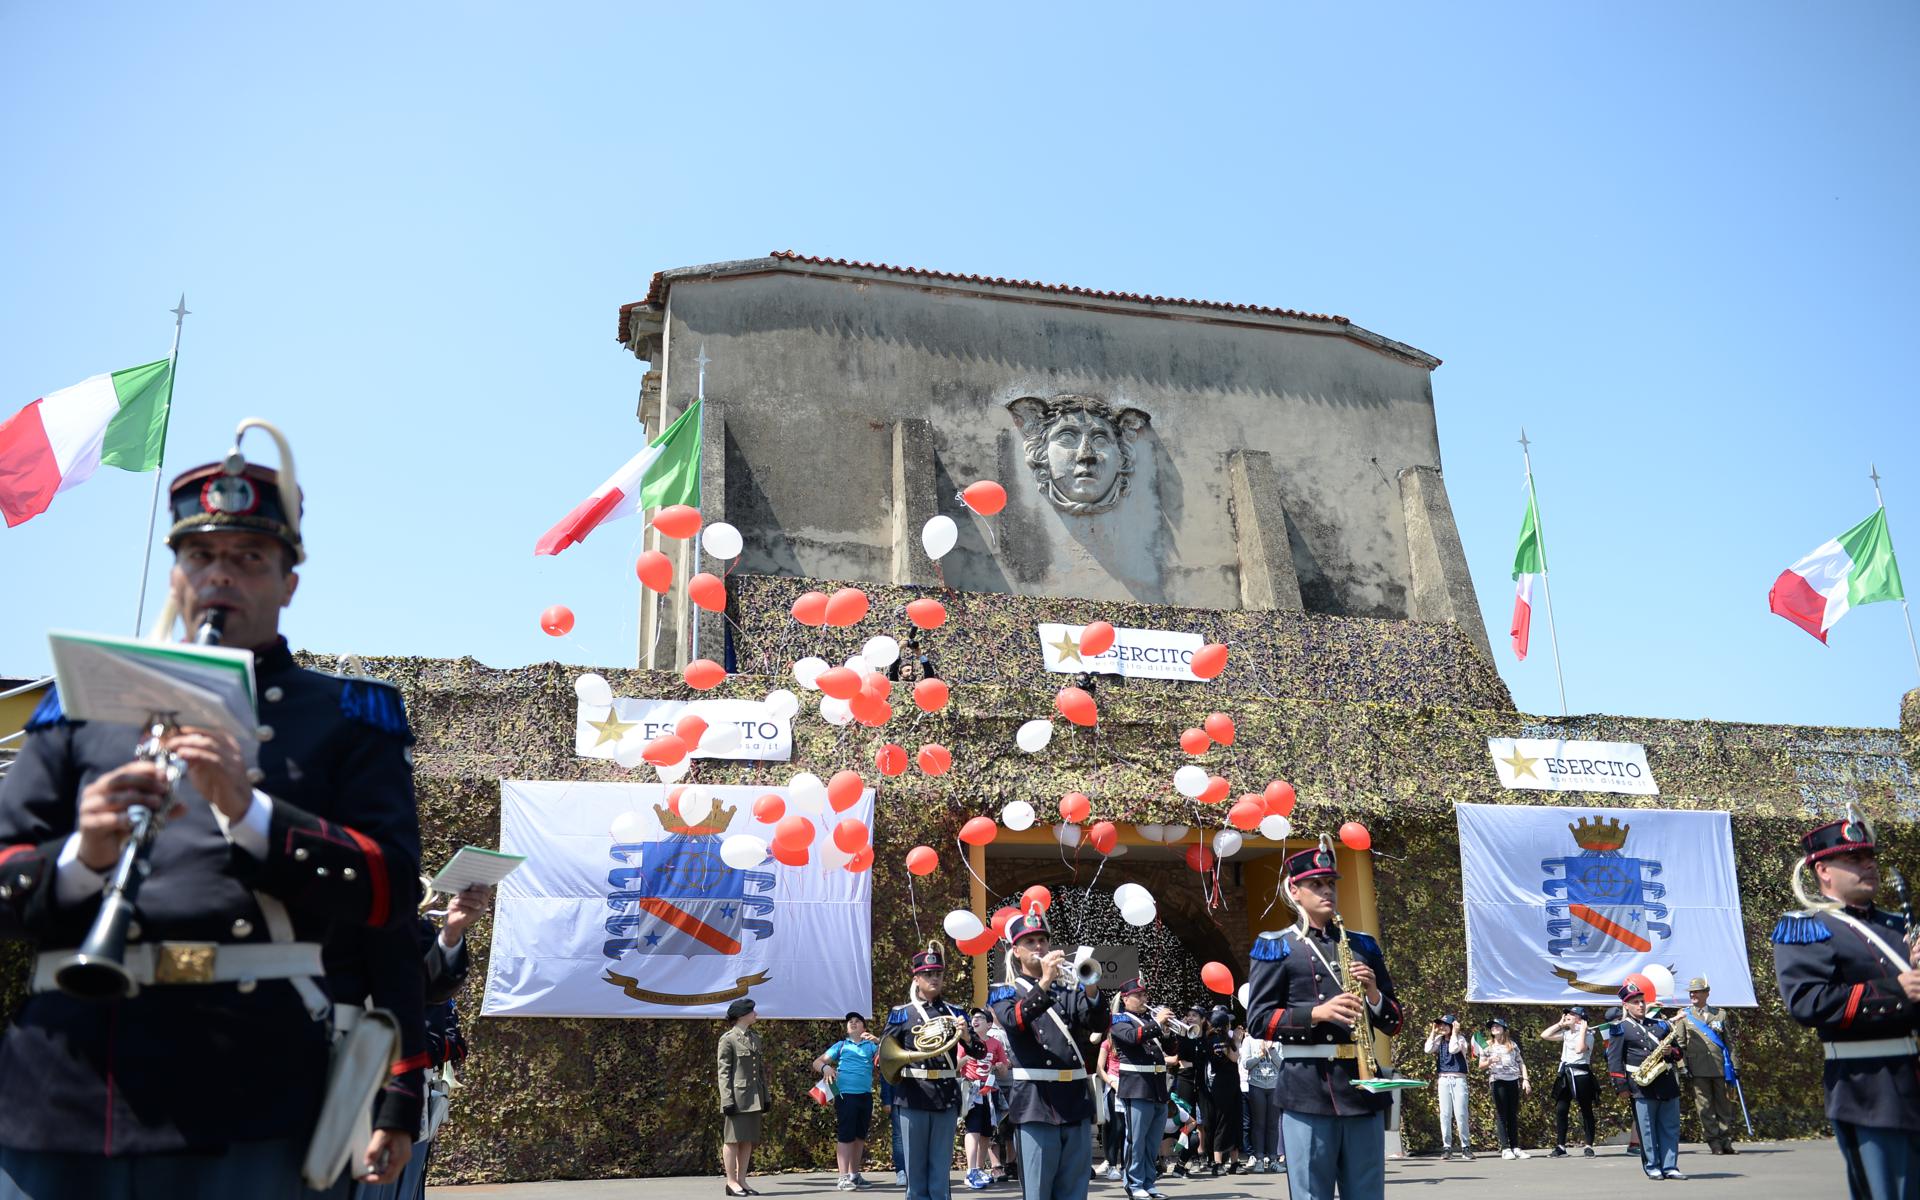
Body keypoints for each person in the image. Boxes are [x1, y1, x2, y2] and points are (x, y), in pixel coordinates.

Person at [0, 430, 422, 1199]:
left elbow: (389, 893)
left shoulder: (349, 717)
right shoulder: (82, 706)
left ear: (289, 583)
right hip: (64, 1087)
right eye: (200, 556)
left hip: (252, 1094)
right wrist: (82, 856)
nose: (221, 574)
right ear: (176, 574)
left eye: (249, 558)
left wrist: (249, 811)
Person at [1770, 812, 1920, 1200]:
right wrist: (1896, 990)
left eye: (1870, 857)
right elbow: (1808, 1002)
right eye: (1854, 859)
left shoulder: (1898, 926)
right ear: (1823, 870)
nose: (1868, 865)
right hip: (1871, 1088)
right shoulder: (1809, 926)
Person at [1247, 838, 1404, 1200]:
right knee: (1311, 1194)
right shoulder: (1278, 945)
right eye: (1316, 884)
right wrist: (1316, 1013)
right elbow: (1259, 1020)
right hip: (1308, 1090)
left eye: (1330, 883)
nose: (1326, 891)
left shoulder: (1363, 945)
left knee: (1366, 1194)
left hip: (1362, 1089)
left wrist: (1374, 994)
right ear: (1294, 891)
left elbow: (1393, 1022)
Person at [988, 903, 1110, 1200]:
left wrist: (1091, 989)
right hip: (1036, 1102)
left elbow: (1098, 1023)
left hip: (1074, 1100)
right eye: (1030, 941)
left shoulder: (1067, 990)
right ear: (1016, 951)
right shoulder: (1004, 991)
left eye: (1043, 940)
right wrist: (1044, 981)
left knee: (1075, 1191)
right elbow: (1015, 1020)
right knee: (1039, 1191)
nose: (1039, 946)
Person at [886, 944, 986, 1200]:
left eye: (938, 974)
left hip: (945, 1096)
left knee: (940, 1174)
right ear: (916, 978)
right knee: (915, 1176)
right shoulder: (902, 1014)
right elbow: (885, 1057)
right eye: (928, 974)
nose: (934, 978)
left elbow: (980, 1052)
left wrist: (966, 1036)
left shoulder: (955, 1013)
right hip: (912, 1096)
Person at [1606, 980, 1686, 1182]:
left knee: (1670, 1127)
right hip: (1641, 1086)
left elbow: (1678, 1053)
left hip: (1666, 1082)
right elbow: (1614, 1060)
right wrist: (1621, 1087)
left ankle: (1670, 1166)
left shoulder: (1660, 1025)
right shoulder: (1620, 1028)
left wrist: (1670, 1051)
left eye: (1642, 1001)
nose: (1640, 1005)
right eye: (1635, 1002)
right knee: (1647, 1129)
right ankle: (1653, 1166)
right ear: (1626, 1005)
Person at [1107, 980, 1170, 1200]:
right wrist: (1157, 1023)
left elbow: (1171, 1050)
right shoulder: (1119, 1019)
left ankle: (1149, 1182)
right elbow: (1132, 1038)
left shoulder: (1148, 1021)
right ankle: (1133, 1183)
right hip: (1137, 1086)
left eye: (1145, 995)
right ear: (1126, 998)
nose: (1144, 999)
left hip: (1157, 1087)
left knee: (1153, 1141)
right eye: (1139, 995)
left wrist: (1168, 1031)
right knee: (1136, 1140)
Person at [816, 1013, 882, 1190]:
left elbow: (887, 1058)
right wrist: (825, 1067)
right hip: (845, 1095)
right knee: (846, 1136)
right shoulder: (841, 1045)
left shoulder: (871, 1046)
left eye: (857, 1021)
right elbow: (817, 1062)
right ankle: (843, 1178)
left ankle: (854, 1175)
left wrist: (878, 1041)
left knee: (859, 1136)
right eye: (850, 1022)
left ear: (864, 1028)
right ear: (846, 1028)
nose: (853, 1023)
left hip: (865, 1095)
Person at [1677, 975, 1739, 1156]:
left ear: (1706, 993)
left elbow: (1729, 1042)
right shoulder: (1684, 1015)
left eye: (1697, 992)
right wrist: (1682, 1065)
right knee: (1704, 1108)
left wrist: (1736, 1065)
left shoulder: (1720, 1014)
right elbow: (1680, 1044)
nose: (1693, 995)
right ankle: (1714, 1142)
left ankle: (1726, 1141)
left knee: (1724, 1105)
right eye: (1691, 992)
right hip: (1698, 1068)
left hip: (1721, 1067)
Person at [718, 997, 769, 1197]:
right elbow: (723, 1073)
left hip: (754, 1097)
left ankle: (741, 1180)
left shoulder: (755, 1038)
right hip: (737, 1098)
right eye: (752, 1011)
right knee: (732, 1140)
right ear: (741, 1015)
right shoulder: (728, 1039)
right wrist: (727, 1100)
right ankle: (731, 1182)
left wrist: (765, 1096)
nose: (756, 1014)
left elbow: (760, 1071)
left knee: (747, 1140)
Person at [959, 1007, 1010, 1189]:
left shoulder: (996, 1043)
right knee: (972, 1128)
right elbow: (955, 1066)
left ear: (989, 1024)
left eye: (980, 1017)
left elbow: (1004, 1071)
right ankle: (970, 1171)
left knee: (986, 1132)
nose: (975, 1020)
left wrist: (999, 1066)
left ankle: (979, 1169)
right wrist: (968, 1056)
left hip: (990, 1090)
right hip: (972, 1089)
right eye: (974, 1017)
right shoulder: (965, 1042)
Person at [1540, 1005, 1599, 1158]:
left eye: (1572, 1014)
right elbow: (1544, 1035)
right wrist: (1560, 1024)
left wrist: (1583, 1030)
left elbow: (1579, 1049)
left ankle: (1588, 1145)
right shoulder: (1566, 1034)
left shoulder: (1588, 1035)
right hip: (1565, 1074)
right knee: (1561, 1109)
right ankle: (1561, 1146)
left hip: (1581, 1074)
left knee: (1586, 1109)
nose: (1567, 1016)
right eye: (1567, 1014)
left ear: (1580, 1019)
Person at [1477, 1017, 1530, 1159]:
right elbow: (1480, 1066)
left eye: (1497, 1026)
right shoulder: (1487, 1046)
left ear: (1504, 1029)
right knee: (1501, 1114)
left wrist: (1525, 1079)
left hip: (1513, 1081)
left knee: (1512, 1114)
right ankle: (1505, 1148)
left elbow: (1521, 1063)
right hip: (1497, 1081)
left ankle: (1515, 1147)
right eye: (1492, 1027)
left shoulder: (1512, 1045)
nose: (1494, 1028)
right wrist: (1489, 1062)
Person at [1423, 1015, 1474, 1160]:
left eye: (1446, 1025)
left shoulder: (1460, 1039)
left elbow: (1453, 1049)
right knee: (1445, 1114)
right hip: (1444, 1079)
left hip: (1458, 1079)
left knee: (1461, 1114)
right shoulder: (1439, 1040)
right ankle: (1447, 1147)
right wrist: (1433, 1033)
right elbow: (1427, 1049)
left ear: (1453, 1026)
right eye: (1441, 1025)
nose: (1443, 1027)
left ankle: (1465, 1146)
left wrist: (1455, 1033)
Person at [1201, 1006, 1243, 1175]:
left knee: (1235, 1122)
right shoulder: (1217, 1039)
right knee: (1223, 1122)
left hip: (1231, 1083)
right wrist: (1237, 1041)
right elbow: (1234, 1057)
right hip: (1223, 1085)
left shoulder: (1221, 1038)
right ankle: (1217, 1163)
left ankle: (1235, 1162)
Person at [1239, 1021, 1283, 1173]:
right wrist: (1260, 1055)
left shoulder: (1278, 1040)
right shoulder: (1249, 1040)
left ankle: (1273, 1159)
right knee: (1258, 1124)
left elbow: (1282, 1065)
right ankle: (1258, 1159)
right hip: (1256, 1085)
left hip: (1274, 1086)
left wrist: (1272, 1050)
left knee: (1273, 1124)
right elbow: (1246, 1064)